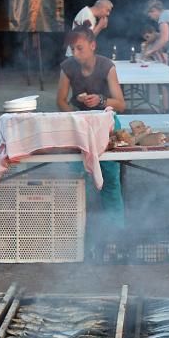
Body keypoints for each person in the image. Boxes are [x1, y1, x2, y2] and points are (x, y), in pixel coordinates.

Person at [56, 26, 126, 226]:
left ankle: (116, 230)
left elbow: (120, 103)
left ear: (93, 45)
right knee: (78, 179)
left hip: (105, 122)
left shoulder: (106, 66)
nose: (76, 53)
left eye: (80, 48)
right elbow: (61, 100)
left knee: (110, 179)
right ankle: (76, 229)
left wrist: (102, 100)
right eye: (73, 49)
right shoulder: (68, 67)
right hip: (79, 123)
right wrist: (75, 116)